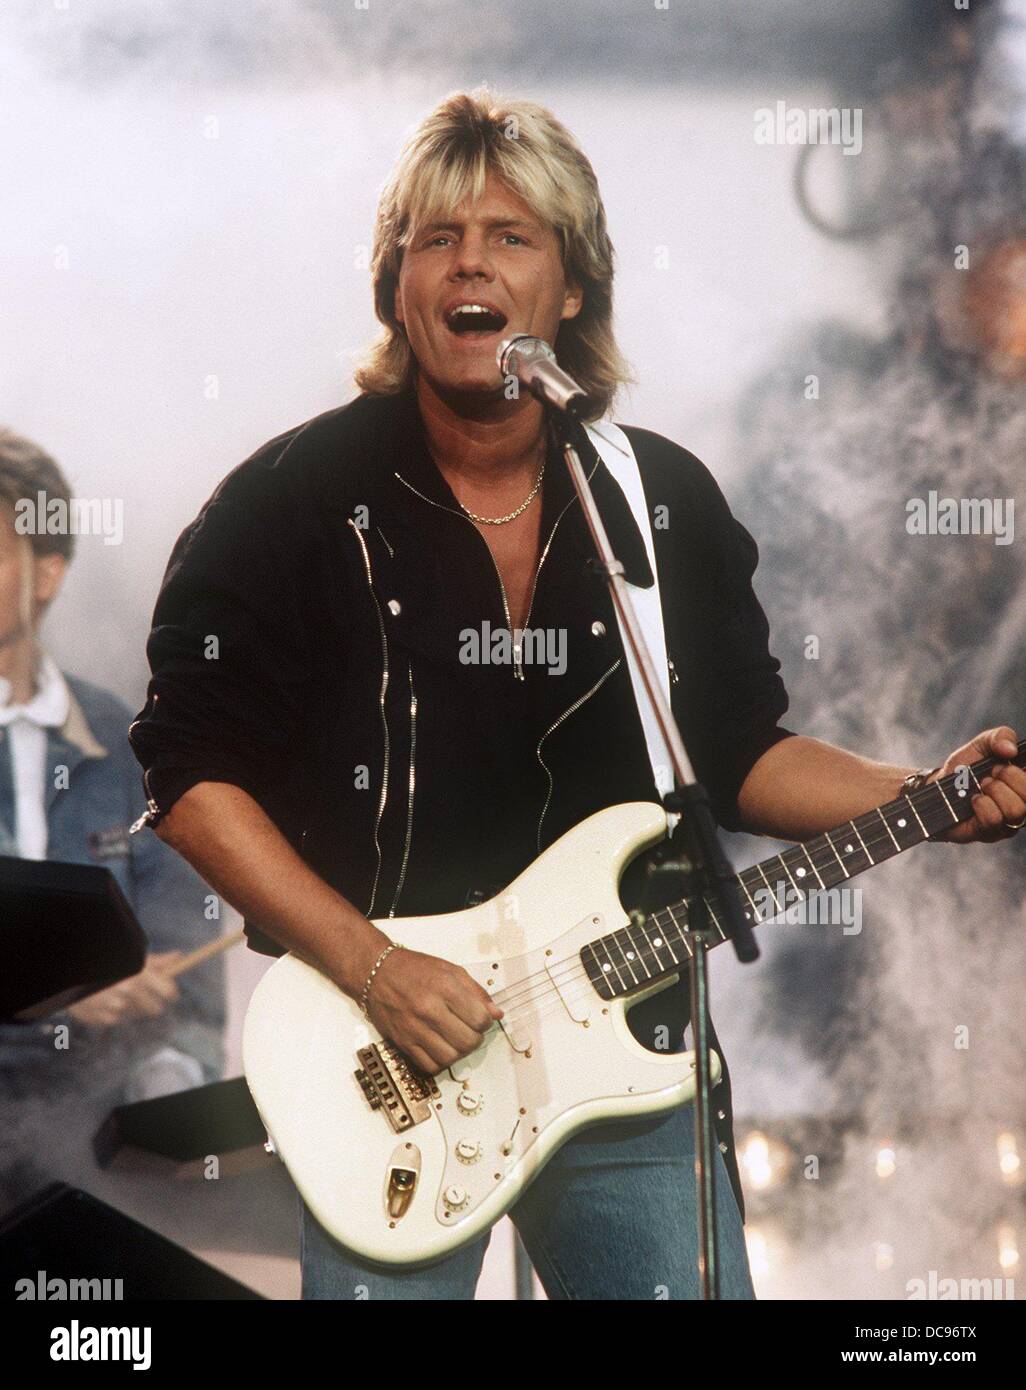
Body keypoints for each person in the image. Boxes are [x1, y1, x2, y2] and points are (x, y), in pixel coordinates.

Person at [128, 89, 1025, 1300]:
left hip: (631, 1052)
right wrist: (377, 966)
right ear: (397, 286)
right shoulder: (288, 501)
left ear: (573, 286)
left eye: (511, 237)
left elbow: (739, 751)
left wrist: (919, 792)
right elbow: (187, 776)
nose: (470, 262)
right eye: (436, 238)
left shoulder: (653, 502)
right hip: (388, 1056)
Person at [0, 429, 225, 1212]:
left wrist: (165, 1104)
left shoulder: (127, 746)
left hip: (94, 1145)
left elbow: (192, 976)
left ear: (46, 573)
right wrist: (55, 993)